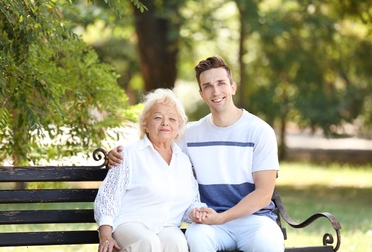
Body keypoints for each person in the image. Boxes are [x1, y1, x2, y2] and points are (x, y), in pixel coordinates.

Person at [107, 56, 285, 252]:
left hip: (255, 222)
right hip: (209, 225)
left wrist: (222, 217)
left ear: (232, 87)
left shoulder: (259, 131)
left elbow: (263, 194)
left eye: (221, 83)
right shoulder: (189, 134)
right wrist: (115, 153)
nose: (216, 91)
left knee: (268, 243)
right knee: (195, 237)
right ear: (201, 94)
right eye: (208, 86)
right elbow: (154, 142)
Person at [94, 88, 206, 252]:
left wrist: (196, 212)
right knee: (149, 242)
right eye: (158, 117)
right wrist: (105, 236)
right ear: (145, 124)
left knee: (178, 242)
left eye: (172, 119)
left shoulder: (183, 160)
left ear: (179, 127)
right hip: (130, 223)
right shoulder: (129, 155)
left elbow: (189, 203)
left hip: (166, 225)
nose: (165, 123)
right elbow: (107, 199)